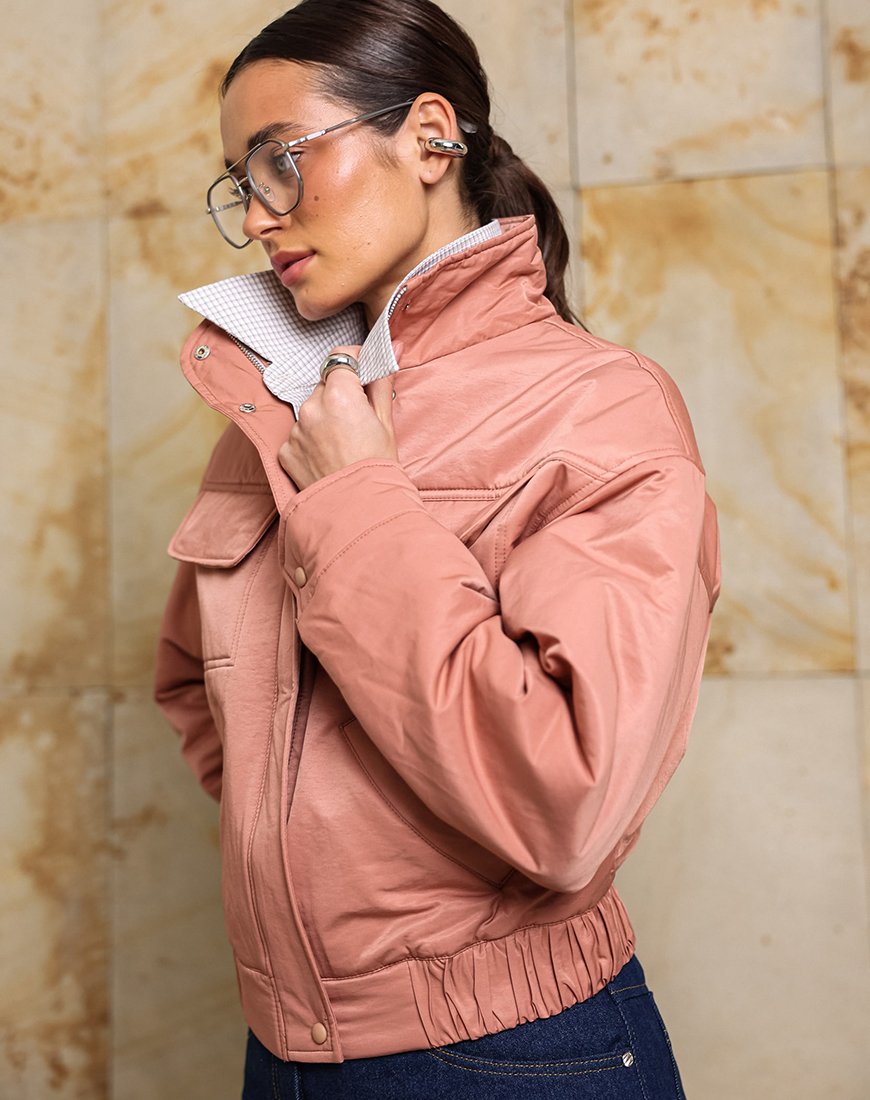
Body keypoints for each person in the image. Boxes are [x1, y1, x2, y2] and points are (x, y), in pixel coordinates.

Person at [154, 0, 721, 1096]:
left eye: (283, 161)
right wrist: (331, 839)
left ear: (427, 137)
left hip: (521, 1055)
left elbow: (566, 798)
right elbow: (196, 684)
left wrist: (357, 501)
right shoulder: (284, 402)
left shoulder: (598, 406)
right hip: (285, 1050)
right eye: (241, 182)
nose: (260, 215)